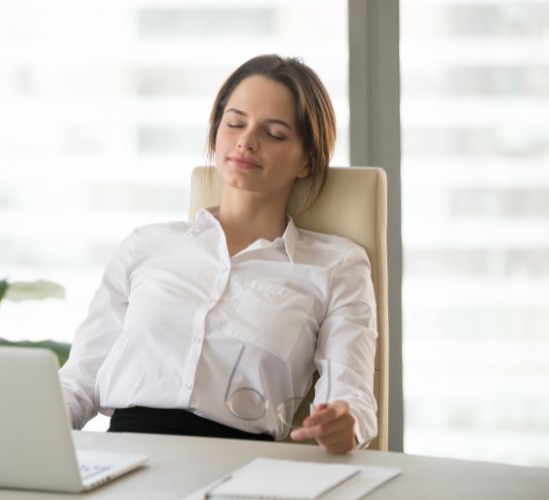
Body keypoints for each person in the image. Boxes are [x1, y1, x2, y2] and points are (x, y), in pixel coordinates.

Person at [59, 54, 377, 454]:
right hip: (122, 459)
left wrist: (343, 424)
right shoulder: (146, 245)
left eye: (275, 133)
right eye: (235, 122)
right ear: (215, 133)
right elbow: (79, 383)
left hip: (239, 466)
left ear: (307, 160)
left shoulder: (336, 265)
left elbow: (353, 402)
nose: (247, 140)